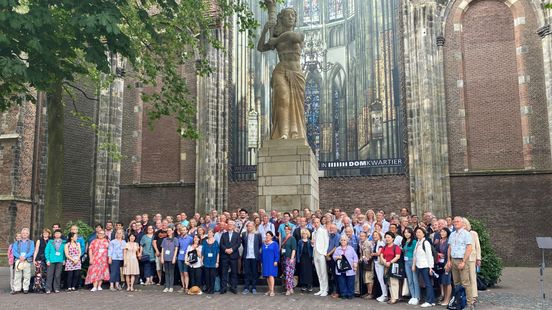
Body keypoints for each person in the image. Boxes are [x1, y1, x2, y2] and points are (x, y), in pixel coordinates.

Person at [446, 216, 474, 309]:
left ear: (462, 223)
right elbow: (449, 248)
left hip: (462, 260)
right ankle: (458, 301)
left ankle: (470, 304)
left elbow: (469, 248)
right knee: (456, 283)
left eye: (458, 221)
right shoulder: (452, 234)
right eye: (454, 221)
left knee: (465, 282)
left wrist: (463, 261)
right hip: (453, 260)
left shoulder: (466, 234)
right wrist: (448, 260)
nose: (456, 222)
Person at [413, 227, 436, 308]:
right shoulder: (418, 242)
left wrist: (430, 267)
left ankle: (429, 301)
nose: (418, 234)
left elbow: (429, 255)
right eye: (417, 232)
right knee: (426, 283)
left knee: (428, 284)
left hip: (425, 266)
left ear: (423, 233)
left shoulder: (425, 242)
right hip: (419, 266)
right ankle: (432, 300)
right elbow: (415, 255)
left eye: (419, 232)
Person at [332, 235, 359, 299]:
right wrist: (337, 257)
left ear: (347, 241)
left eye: (344, 240)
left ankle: (350, 294)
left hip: (350, 268)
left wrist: (355, 264)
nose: (343, 241)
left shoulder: (351, 248)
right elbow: (333, 257)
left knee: (350, 282)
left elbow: (355, 257)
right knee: (342, 282)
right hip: (341, 268)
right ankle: (343, 294)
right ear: (340, 241)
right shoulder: (338, 249)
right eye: (342, 240)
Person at [379, 232, 402, 304]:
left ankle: (395, 298)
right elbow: (381, 255)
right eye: (386, 237)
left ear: (393, 238)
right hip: (386, 266)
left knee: (394, 282)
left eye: (389, 237)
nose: (387, 239)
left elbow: (397, 256)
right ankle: (392, 297)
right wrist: (384, 261)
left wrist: (390, 262)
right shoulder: (385, 247)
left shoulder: (396, 247)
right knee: (388, 282)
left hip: (393, 266)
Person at [463, 218, 481, 305]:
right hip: (463, 258)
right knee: (465, 278)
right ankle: (466, 295)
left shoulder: (473, 233)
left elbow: (477, 246)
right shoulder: (461, 234)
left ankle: (474, 295)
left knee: (472, 277)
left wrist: (478, 258)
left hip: (471, 258)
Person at [241, 221, 262, 294]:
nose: (249, 227)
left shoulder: (258, 235)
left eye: (250, 226)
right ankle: (246, 287)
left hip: (254, 256)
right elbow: (244, 244)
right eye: (248, 226)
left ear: (253, 227)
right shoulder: (244, 234)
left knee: (254, 272)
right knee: (246, 272)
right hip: (247, 256)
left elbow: (259, 245)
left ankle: (253, 287)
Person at [219, 220, 240, 294]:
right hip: (225, 256)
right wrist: (225, 250)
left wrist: (232, 249)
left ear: (234, 226)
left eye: (231, 224)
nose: (230, 225)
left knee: (234, 272)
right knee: (224, 272)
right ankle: (223, 288)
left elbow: (238, 244)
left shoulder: (237, 234)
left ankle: (233, 287)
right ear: (227, 226)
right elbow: (221, 244)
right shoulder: (224, 234)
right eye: (229, 224)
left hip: (233, 256)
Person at [12, 228, 34, 294]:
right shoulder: (16, 242)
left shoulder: (31, 242)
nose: (25, 234)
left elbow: (32, 251)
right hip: (18, 260)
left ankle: (25, 288)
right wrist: (19, 257)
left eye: (26, 233)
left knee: (27, 275)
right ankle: (17, 289)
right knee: (17, 275)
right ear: (21, 234)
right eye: (23, 233)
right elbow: (14, 251)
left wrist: (25, 257)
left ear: (28, 234)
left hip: (27, 260)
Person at [402, 227, 420, 305]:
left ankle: (417, 297)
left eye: (408, 232)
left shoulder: (414, 241)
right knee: (410, 280)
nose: (406, 234)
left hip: (413, 261)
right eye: (405, 232)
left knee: (415, 280)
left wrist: (414, 264)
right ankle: (412, 296)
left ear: (411, 233)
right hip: (406, 262)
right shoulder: (405, 241)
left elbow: (416, 253)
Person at [45, 229, 66, 294]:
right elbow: (47, 251)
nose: (57, 234)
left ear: (61, 234)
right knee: (49, 275)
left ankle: (56, 288)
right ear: (54, 235)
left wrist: (64, 259)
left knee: (58, 275)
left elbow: (65, 252)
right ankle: (48, 288)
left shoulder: (64, 242)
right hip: (51, 260)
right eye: (56, 233)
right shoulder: (50, 242)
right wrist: (47, 259)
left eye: (59, 233)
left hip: (60, 260)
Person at [312, 217, 329, 297]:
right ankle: (321, 289)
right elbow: (313, 244)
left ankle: (325, 290)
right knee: (319, 272)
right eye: (315, 222)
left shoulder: (323, 231)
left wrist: (324, 252)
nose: (316, 224)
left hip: (321, 253)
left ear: (320, 223)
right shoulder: (313, 232)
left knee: (323, 272)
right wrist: (312, 244)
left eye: (317, 222)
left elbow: (326, 242)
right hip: (315, 253)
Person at [436, 227, 452, 305]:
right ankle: (445, 298)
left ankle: (447, 299)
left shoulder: (449, 241)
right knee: (443, 281)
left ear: (447, 233)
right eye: (441, 232)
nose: (442, 233)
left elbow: (450, 253)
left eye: (444, 232)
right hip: (440, 263)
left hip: (447, 262)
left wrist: (448, 262)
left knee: (448, 281)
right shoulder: (440, 241)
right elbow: (436, 250)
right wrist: (438, 254)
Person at [161, 226, 179, 292]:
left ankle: (171, 286)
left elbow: (176, 249)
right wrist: (162, 258)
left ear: (172, 231)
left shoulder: (175, 239)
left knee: (171, 273)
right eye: (167, 231)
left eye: (170, 230)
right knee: (166, 273)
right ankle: (167, 286)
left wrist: (174, 258)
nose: (168, 232)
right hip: (165, 258)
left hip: (172, 258)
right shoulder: (164, 239)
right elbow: (162, 249)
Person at [261, 231, 279, 297]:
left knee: (271, 275)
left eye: (268, 235)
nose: (267, 236)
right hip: (265, 262)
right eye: (266, 235)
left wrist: (276, 260)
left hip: (272, 261)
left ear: (271, 236)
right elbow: (261, 253)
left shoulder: (275, 244)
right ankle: (269, 289)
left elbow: (277, 253)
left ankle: (272, 291)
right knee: (267, 276)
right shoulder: (264, 244)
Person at [32, 228, 50, 293]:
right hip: (39, 258)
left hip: (47, 259)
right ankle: (38, 288)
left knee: (46, 274)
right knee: (38, 274)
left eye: (47, 233)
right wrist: (34, 259)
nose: (45, 234)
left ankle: (45, 287)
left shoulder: (50, 241)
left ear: (49, 234)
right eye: (44, 233)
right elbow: (36, 250)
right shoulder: (39, 240)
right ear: (42, 234)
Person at [202, 229, 220, 294]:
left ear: (213, 234)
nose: (209, 234)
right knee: (207, 276)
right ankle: (208, 288)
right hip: (206, 261)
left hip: (213, 261)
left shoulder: (216, 242)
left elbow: (218, 253)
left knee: (212, 276)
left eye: (210, 232)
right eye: (208, 232)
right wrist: (202, 261)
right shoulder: (204, 242)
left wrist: (217, 262)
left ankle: (212, 289)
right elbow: (203, 252)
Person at [281, 224, 297, 295]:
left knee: (289, 274)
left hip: (290, 258)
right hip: (284, 257)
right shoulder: (284, 237)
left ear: (290, 230)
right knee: (287, 274)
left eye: (288, 229)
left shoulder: (292, 238)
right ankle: (290, 288)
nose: (286, 230)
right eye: (285, 229)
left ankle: (288, 289)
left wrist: (292, 258)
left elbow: (294, 249)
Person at [176, 225, 193, 292]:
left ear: (187, 230)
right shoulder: (179, 238)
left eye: (184, 230)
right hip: (180, 257)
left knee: (186, 273)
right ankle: (183, 286)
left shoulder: (190, 238)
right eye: (181, 230)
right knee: (181, 273)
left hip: (186, 258)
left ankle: (186, 287)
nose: (183, 231)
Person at [358, 231, 374, 299]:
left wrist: (369, 258)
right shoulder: (361, 243)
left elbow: (372, 252)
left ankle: (370, 293)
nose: (361, 237)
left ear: (366, 236)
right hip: (364, 263)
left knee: (369, 278)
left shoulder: (369, 243)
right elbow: (362, 253)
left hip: (369, 263)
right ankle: (368, 292)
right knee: (366, 278)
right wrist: (361, 259)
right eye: (360, 236)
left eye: (363, 236)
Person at [153, 220, 169, 285]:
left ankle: (165, 280)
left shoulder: (169, 232)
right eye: (163, 223)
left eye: (165, 223)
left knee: (165, 268)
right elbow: (154, 242)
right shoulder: (157, 232)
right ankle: (160, 280)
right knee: (158, 267)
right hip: (158, 252)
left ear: (168, 224)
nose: (164, 224)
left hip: (167, 253)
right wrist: (156, 250)